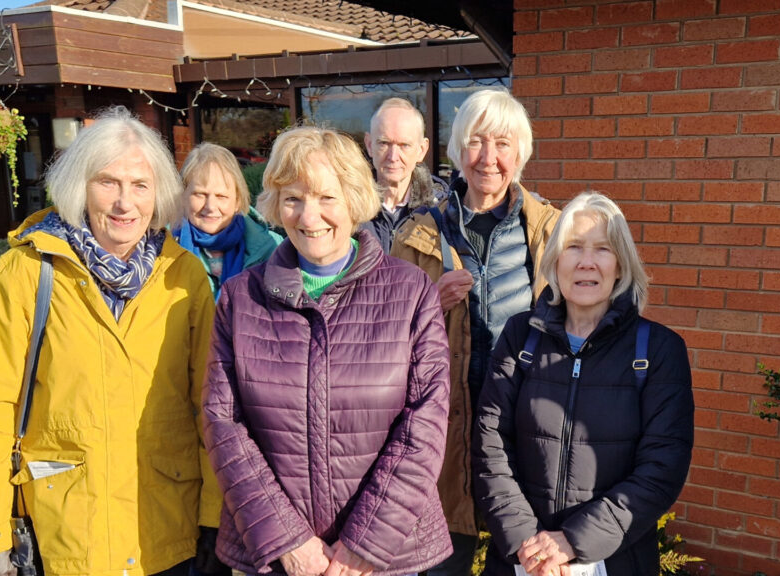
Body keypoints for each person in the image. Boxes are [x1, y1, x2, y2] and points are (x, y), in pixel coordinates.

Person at [0, 106, 221, 576]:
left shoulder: (184, 276)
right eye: (108, 183)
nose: (125, 203)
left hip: (168, 530)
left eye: (140, 185)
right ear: (80, 187)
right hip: (67, 533)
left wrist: (216, 518)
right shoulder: (26, 273)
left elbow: (212, 407)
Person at [203, 125, 452, 576]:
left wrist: (363, 545)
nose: (308, 215)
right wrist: (289, 541)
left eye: (327, 197)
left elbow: (426, 425)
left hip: (384, 559)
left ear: (354, 199)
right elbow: (225, 424)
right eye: (293, 197)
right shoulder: (241, 298)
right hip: (276, 557)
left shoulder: (410, 291)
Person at [471, 192, 694, 576]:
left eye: (602, 249)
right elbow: (490, 445)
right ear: (555, 259)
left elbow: (662, 467)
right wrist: (530, 544)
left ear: (621, 265)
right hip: (521, 560)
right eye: (573, 247)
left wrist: (573, 542)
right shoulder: (520, 336)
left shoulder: (658, 349)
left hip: (613, 560)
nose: (586, 262)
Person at [391, 88, 561, 576]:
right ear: (457, 150)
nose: (489, 158)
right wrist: (428, 303)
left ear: (521, 153)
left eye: (503, 144)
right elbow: (382, 342)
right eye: (476, 142)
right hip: (444, 435)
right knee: (444, 561)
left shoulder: (550, 231)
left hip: (522, 436)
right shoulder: (417, 233)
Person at [174, 142, 282, 298]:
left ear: (238, 200)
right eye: (200, 194)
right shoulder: (162, 249)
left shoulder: (273, 248)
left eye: (221, 196)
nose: (211, 206)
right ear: (183, 196)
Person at [361, 97, 448, 253]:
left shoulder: (443, 210)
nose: (393, 156)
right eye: (384, 143)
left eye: (404, 145)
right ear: (369, 145)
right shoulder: (348, 206)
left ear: (422, 149)